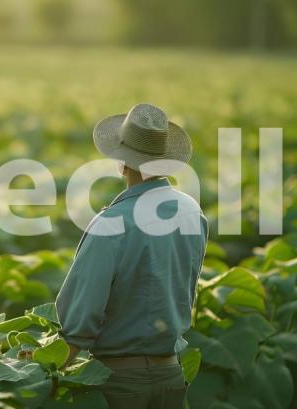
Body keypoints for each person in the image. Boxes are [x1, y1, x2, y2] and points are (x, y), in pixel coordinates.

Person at [55, 103, 208, 409]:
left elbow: (79, 322)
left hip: (118, 384)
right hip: (171, 376)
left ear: (121, 162)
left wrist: (45, 374)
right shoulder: (191, 211)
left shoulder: (111, 223)